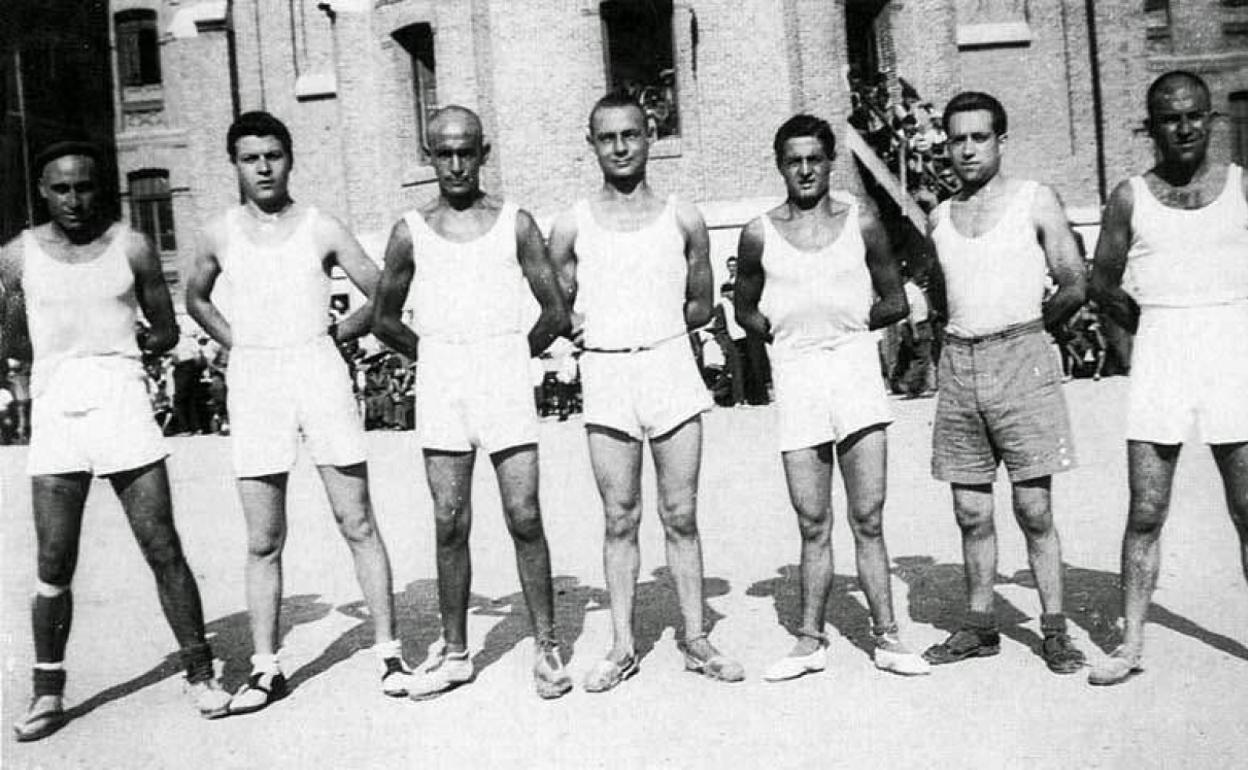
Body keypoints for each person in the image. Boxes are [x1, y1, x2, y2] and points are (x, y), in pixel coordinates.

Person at [1, 141, 231, 741]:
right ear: (43, 192)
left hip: (123, 404)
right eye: (61, 189)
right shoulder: (15, 258)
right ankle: (47, 691)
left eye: (84, 188)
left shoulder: (132, 245)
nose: (74, 200)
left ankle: (201, 672)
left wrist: (119, 348)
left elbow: (164, 328)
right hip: (57, 411)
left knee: (162, 546)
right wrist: (57, 361)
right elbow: (13, 339)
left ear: (100, 189)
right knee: (54, 561)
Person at [185, 111, 410, 713]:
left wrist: (340, 331)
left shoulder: (320, 226)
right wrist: (237, 342)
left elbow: (384, 286)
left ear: (289, 159)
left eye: (273, 155)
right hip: (256, 378)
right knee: (263, 536)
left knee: (357, 520)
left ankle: (390, 652)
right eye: (250, 157)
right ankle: (265, 668)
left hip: (318, 370)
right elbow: (196, 298)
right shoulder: (217, 233)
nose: (262, 167)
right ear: (234, 164)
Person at [372, 106, 573, 700]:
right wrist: (431, 355)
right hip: (444, 379)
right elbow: (384, 319)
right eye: (444, 153)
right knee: (448, 520)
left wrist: (513, 355)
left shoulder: (515, 222)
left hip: (502, 376)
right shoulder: (410, 229)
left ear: (484, 153)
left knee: (525, 515)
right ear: (429, 155)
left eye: (467, 152)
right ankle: (456, 651)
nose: (456, 164)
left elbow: (555, 310)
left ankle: (546, 645)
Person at [548, 92, 743, 691]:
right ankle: (623, 644)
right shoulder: (571, 223)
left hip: (668, 368)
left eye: (630, 135)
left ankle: (696, 637)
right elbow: (552, 300)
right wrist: (583, 330)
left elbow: (701, 303)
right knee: (619, 516)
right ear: (592, 145)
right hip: (607, 375)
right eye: (607, 138)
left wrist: (655, 332)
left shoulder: (683, 216)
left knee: (680, 513)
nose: (620, 148)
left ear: (650, 135)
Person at [734, 114, 929, 681]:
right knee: (812, 521)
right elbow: (744, 308)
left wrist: (849, 324)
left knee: (867, 517)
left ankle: (888, 637)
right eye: (793, 160)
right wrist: (783, 333)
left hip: (854, 372)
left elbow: (894, 297)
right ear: (780, 166)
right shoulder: (757, 233)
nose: (804, 170)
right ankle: (810, 638)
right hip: (796, 376)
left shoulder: (861, 221)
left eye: (814, 159)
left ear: (829, 163)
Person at [1086, 71, 1248, 685]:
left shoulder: (1241, 188)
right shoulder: (1131, 196)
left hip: (1234, 353)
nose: (1183, 128)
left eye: (1194, 116)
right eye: (1168, 118)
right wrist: (1146, 336)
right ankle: (1130, 645)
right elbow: (1102, 283)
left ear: (1211, 120)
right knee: (1146, 510)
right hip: (1163, 356)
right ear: (1150, 126)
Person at [919, 92, 1087, 674]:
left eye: (979, 138)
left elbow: (1073, 282)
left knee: (1034, 508)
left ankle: (1056, 630)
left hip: (1022, 356)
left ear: (1000, 141)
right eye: (957, 139)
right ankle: (980, 625)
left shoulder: (1034, 199)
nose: (967, 149)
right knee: (970, 510)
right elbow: (941, 297)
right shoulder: (939, 217)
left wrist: (1036, 333)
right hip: (959, 363)